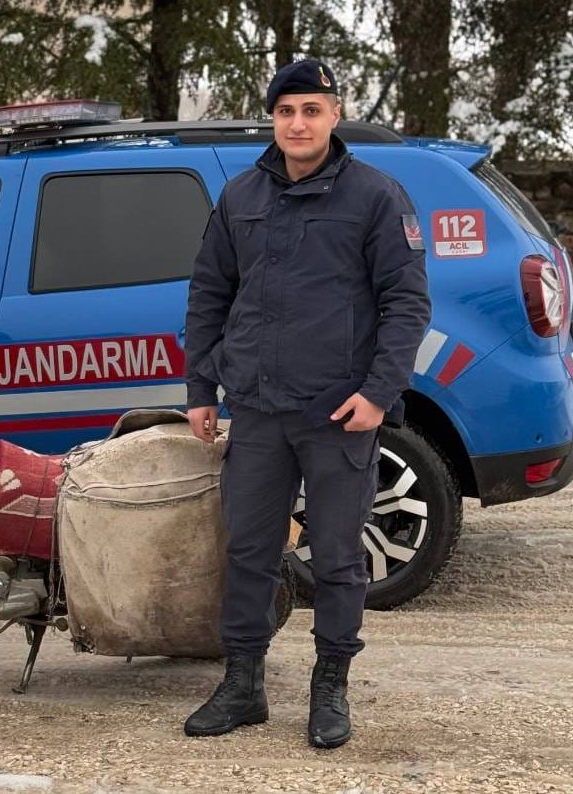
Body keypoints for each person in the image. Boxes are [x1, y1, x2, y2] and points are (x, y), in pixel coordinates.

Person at [182, 59, 430, 748]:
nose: (298, 123)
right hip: (258, 409)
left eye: (312, 111)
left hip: (337, 413)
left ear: (334, 114)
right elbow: (209, 294)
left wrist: (379, 394)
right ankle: (242, 685)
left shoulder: (376, 197)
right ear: (274, 117)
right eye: (287, 111)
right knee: (250, 550)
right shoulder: (239, 197)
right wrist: (201, 389)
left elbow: (406, 304)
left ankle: (330, 688)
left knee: (340, 558)